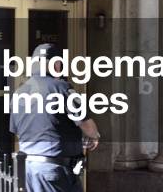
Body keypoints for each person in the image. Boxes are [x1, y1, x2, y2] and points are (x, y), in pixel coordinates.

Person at [9, 43, 100, 192]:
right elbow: (86, 124)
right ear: (56, 64)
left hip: (27, 169)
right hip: (53, 171)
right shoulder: (62, 87)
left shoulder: (19, 92)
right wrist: (94, 135)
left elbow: (17, 131)